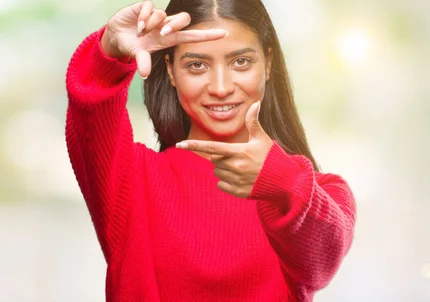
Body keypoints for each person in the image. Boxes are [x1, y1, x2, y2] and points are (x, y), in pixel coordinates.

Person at [65, 0, 356, 301]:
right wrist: (109, 50)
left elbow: (322, 261)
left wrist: (281, 180)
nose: (220, 87)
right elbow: (91, 109)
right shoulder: (132, 182)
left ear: (268, 64)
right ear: (171, 72)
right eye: (197, 65)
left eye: (240, 62)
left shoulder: (317, 193)